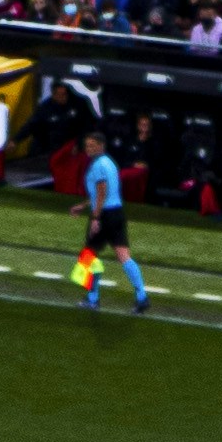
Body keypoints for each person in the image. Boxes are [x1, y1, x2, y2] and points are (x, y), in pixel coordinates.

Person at [74, 125, 147, 313]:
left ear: (101, 145)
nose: (88, 149)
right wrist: (84, 205)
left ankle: (92, 298)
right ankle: (142, 296)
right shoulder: (110, 163)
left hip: (104, 215)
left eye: (92, 145)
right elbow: (105, 192)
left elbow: (102, 191)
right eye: (87, 145)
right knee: (124, 256)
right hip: (117, 213)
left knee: (89, 256)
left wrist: (95, 217)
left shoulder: (98, 165)